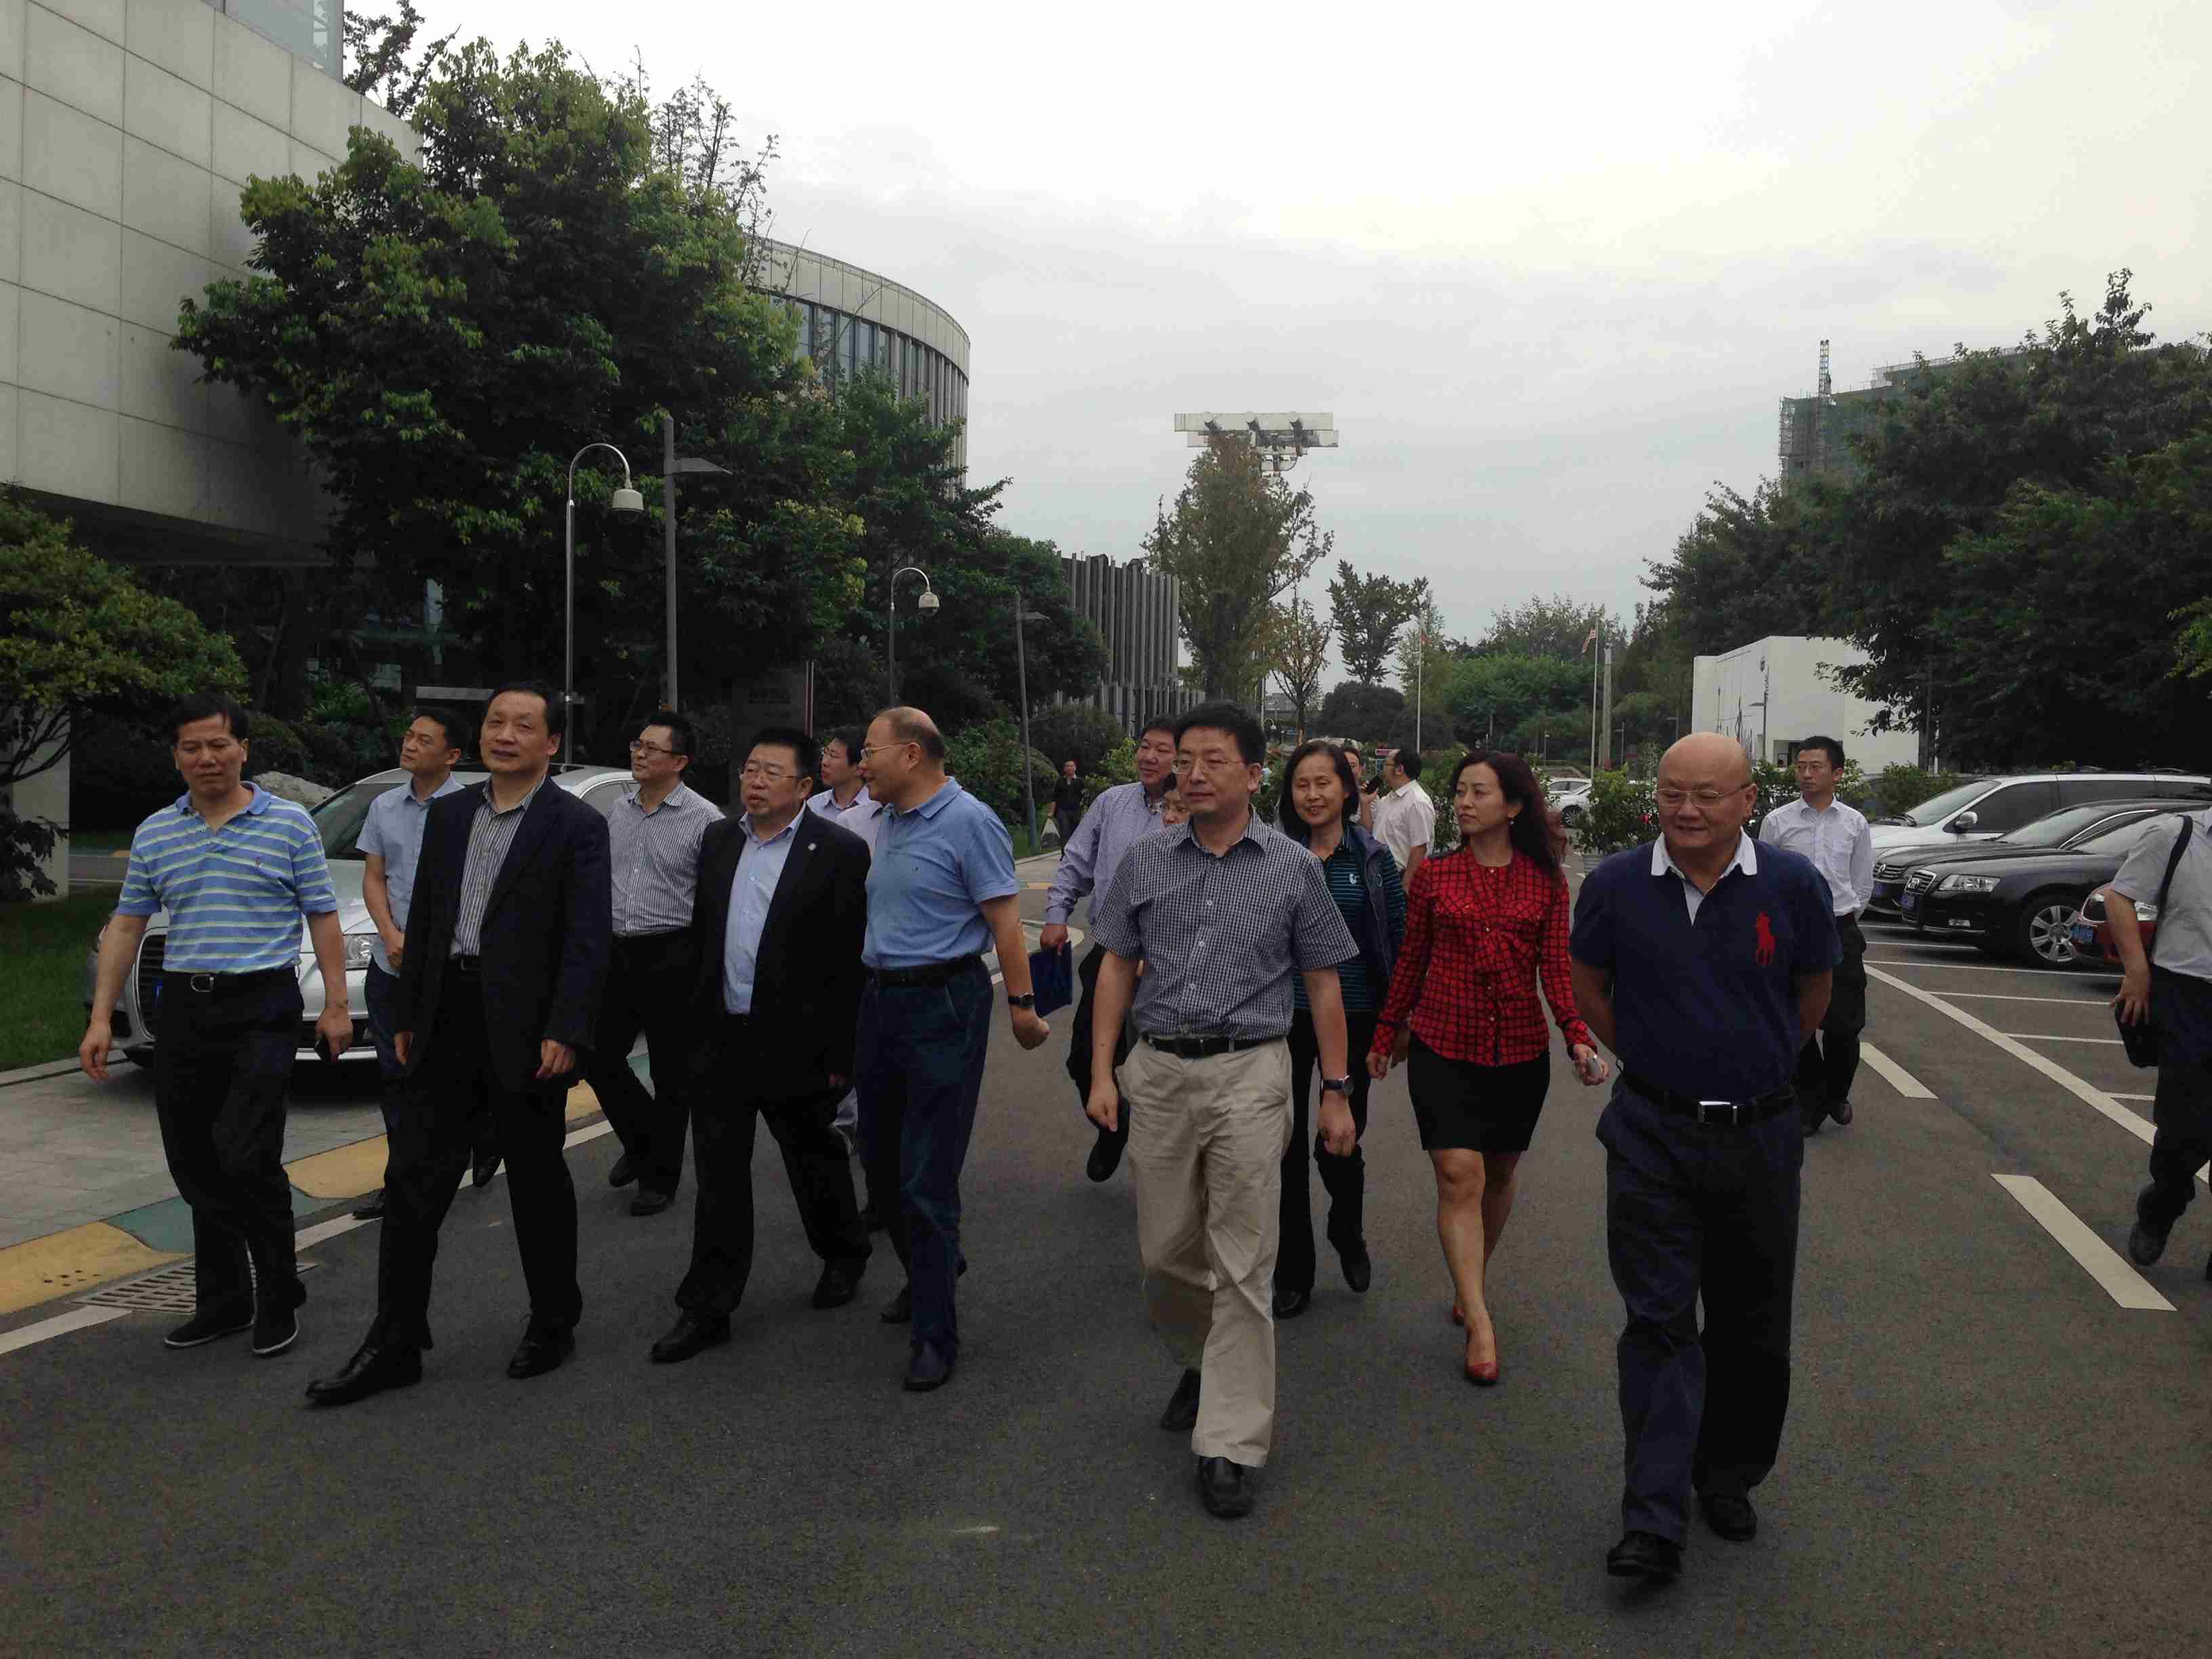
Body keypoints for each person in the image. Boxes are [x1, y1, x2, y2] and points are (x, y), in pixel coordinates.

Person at [1568, 733, 1837, 1582]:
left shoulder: (1792, 886)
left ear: (1748, 800)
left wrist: (1752, 1066)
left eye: (1707, 795)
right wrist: (1656, 1060)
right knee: (1657, 1322)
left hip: (1760, 1137)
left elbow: (1812, 996)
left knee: (1753, 1324)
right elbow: (1587, 986)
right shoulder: (1615, 885)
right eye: (1672, 793)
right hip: (1652, 1135)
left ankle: (1727, 1475)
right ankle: (1652, 1518)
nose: (1686, 810)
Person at [1084, 701, 1360, 1521]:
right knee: (1166, 1255)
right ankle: (1202, 1359)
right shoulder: (1145, 859)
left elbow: (1323, 983)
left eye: (1213, 760)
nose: (1193, 774)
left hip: (1251, 1071)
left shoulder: (1292, 867)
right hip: (1160, 1070)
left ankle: (1231, 1443)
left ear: (1253, 772)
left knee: (1243, 1262)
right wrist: (1102, 1071)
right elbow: (1115, 965)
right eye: (1185, 761)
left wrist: (1336, 1092)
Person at [307, 682, 611, 1406]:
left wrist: (567, 1028)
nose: (504, 735)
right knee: (414, 1182)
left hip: (526, 1029)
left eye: (523, 726)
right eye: (495, 722)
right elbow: (430, 917)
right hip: (445, 1018)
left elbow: (587, 936)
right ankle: (395, 1340)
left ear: (551, 743)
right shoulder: (449, 815)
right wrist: (411, 1007)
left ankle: (553, 1321)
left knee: (536, 1180)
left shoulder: (575, 825)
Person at [80, 695, 351, 1359]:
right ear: (176, 756)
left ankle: (279, 1290)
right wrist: (100, 1018)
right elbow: (127, 925)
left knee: (246, 1154)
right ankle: (225, 1300)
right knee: (194, 1158)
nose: (207, 758)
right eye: (192, 747)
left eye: (219, 745)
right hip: (185, 1010)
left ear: (244, 750)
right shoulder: (157, 832)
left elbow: (322, 915)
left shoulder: (289, 824)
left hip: (263, 1006)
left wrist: (337, 1005)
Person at [1369, 751, 1608, 1386]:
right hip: (1442, 1046)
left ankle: (1469, 1280)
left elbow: (1555, 972)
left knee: (1498, 1175)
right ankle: (1479, 1319)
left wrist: (1576, 1037)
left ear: (1514, 805)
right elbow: (1411, 960)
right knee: (1459, 1175)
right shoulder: (1435, 876)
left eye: (1479, 792)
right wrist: (1387, 1032)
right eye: (1460, 792)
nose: (1465, 803)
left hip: (1519, 1054)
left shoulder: (1546, 883)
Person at [650, 729, 876, 1364]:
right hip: (722, 1035)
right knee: (719, 1174)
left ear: (804, 786)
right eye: (750, 769)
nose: (755, 781)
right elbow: (703, 935)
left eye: (772, 773)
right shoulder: (719, 841)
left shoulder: (839, 851)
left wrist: (841, 1055)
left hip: (797, 1041)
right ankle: (708, 1305)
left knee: (812, 1157)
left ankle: (844, 1251)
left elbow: (847, 963)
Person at [855, 706, 1050, 1392]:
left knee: (926, 1175)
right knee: (879, 1161)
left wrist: (1022, 1007)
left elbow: (1005, 921)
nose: (861, 763)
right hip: (879, 999)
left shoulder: (971, 822)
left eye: (870, 751)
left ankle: (935, 1333)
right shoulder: (891, 819)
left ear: (911, 755)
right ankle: (931, 1266)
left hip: (941, 1002)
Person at [1271, 741, 1406, 1320]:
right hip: (1282, 1017)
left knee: (1339, 1140)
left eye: (1323, 783)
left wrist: (1396, 1023)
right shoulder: (1273, 855)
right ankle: (1292, 1270)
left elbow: (1398, 940)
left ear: (1347, 790)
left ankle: (1346, 1228)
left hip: (1354, 1018)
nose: (1312, 795)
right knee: (1283, 1147)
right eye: (1301, 784)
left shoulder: (1372, 859)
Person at [354, 710, 489, 1222]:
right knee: (395, 1077)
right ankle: (401, 1181)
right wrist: (390, 935)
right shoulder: (384, 806)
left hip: (447, 969)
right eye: (408, 735)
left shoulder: (471, 810)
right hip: (391, 965)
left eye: (424, 739)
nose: (410, 744)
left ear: (451, 755)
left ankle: (475, 1140)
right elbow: (375, 877)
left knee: (449, 1074)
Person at [587, 712, 723, 1216]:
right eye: (637, 745)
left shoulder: (705, 819)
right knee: (596, 1055)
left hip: (674, 953)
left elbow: (714, 901)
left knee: (671, 1074)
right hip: (617, 951)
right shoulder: (616, 811)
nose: (639, 754)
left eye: (652, 748)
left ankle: (659, 1178)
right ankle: (643, 1138)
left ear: (680, 761)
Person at [1040, 716, 1180, 1181]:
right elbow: (1076, 860)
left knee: (1161, 1069)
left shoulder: (1193, 809)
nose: (1149, 757)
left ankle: (1168, 1168)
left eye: (1162, 750)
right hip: (1111, 951)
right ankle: (1113, 1127)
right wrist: (1057, 914)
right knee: (1084, 1057)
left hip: (1168, 961)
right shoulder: (1111, 802)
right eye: (1144, 746)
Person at [2110, 796, 2212, 1278]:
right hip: (2188, 994)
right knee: (2182, 1127)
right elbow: (2120, 897)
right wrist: (2137, 971)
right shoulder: (2178, 835)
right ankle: (2163, 1204)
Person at [1760, 737, 1873, 1134]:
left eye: (1815, 767)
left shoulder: (1854, 823)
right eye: (1801, 767)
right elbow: (1764, 878)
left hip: (1840, 927)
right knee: (1795, 1018)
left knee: (1845, 1023)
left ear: (1836, 773)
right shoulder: (1778, 822)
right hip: (1791, 932)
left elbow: (1862, 883)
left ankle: (1835, 1092)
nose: (1806, 774)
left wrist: (1842, 917)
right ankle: (1811, 1102)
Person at [806, 725, 888, 1219]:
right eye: (824, 754)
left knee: (864, 1046)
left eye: (834, 755)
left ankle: (859, 1132)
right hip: (824, 944)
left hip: (873, 948)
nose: (825, 761)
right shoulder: (815, 809)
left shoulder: (881, 813)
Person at [806, 726, 885, 857]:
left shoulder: (877, 810)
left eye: (834, 756)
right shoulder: (814, 806)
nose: (824, 762)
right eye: (826, 752)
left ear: (859, 768)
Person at [1370, 748, 1437, 880]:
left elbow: (1419, 848)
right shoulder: (1388, 799)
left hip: (1398, 879)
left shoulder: (1417, 802)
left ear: (1399, 770)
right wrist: (1364, 802)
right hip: (1378, 877)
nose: (1382, 769)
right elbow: (1371, 831)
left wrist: (1406, 885)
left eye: (1385, 764)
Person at [1051, 759, 1086, 848]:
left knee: (1075, 832)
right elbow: (1054, 798)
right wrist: (1051, 812)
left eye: (1072, 766)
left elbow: (1085, 797)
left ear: (1075, 768)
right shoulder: (1060, 782)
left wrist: (1084, 811)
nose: (1070, 768)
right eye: (1068, 766)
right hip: (1062, 810)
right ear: (1064, 769)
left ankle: (1074, 851)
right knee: (1064, 832)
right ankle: (1065, 853)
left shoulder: (1080, 782)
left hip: (1076, 811)